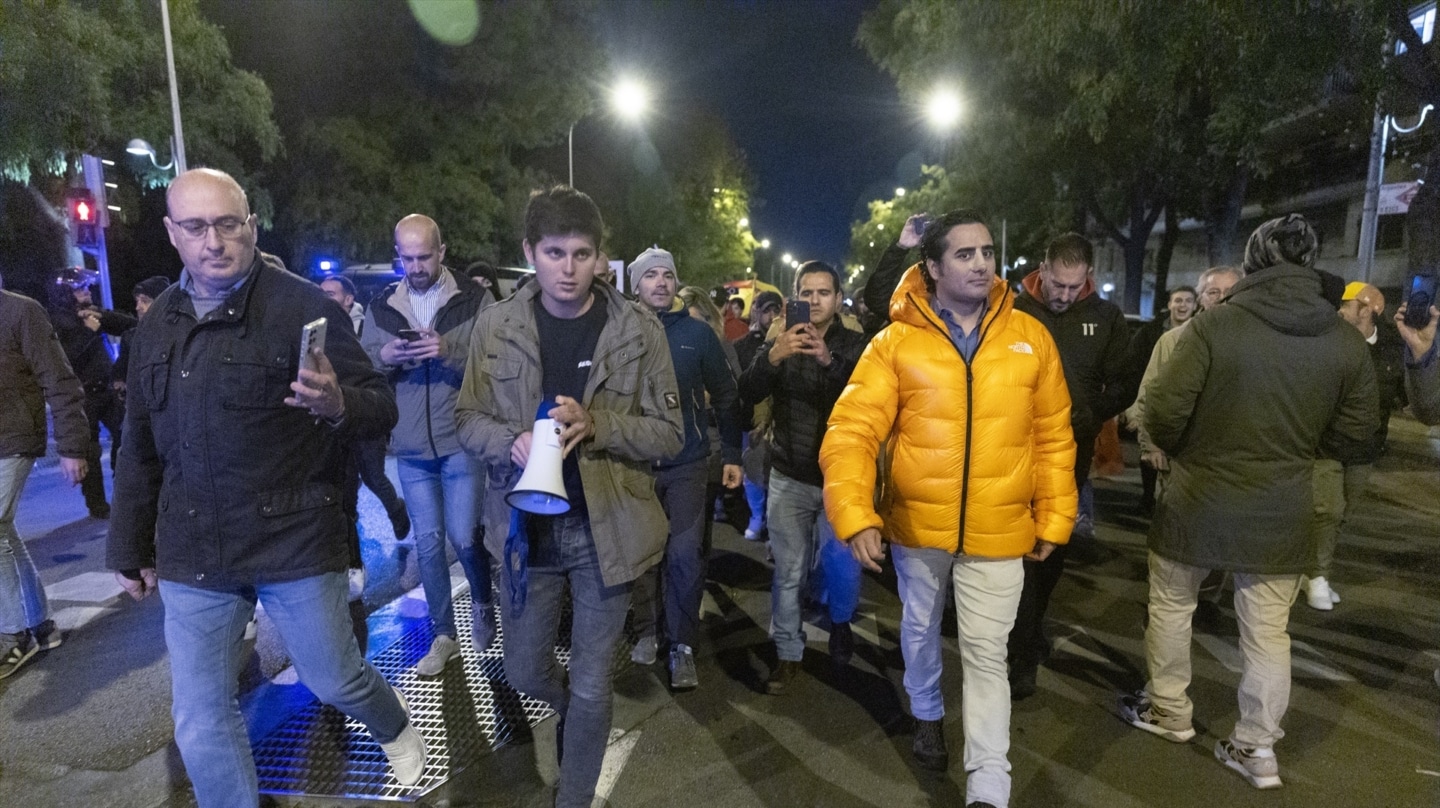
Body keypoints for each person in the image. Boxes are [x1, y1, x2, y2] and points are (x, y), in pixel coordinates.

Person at [106, 168, 425, 806]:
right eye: (195, 227)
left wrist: (337, 403)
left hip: (294, 537)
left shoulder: (304, 306)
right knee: (198, 715)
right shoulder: (157, 324)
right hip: (193, 547)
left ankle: (391, 722)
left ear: (251, 226)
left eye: (228, 223)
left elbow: (378, 404)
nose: (213, 241)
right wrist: (128, 543)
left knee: (334, 677)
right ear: (172, 234)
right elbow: (138, 440)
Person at [822, 209, 1076, 808]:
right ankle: (928, 710)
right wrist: (856, 515)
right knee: (919, 627)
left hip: (1001, 528)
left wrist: (1056, 516)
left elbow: (1054, 436)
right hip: (916, 526)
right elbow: (851, 432)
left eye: (987, 252)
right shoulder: (894, 343)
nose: (982, 263)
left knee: (989, 653)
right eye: (965, 254)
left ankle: (989, 783)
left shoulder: (1030, 337)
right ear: (931, 267)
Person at [1119, 214, 1377, 790]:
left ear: (1254, 261)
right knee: (1267, 633)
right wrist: (1300, 447)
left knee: (1171, 605)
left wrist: (1192, 448)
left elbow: (1162, 411)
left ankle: (1169, 711)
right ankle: (1257, 748)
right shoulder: (1343, 339)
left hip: (1198, 496)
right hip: (1283, 503)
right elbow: (1359, 434)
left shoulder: (1216, 327)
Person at [454, 186, 683, 808]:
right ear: (530, 252)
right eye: (554, 252)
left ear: (602, 258)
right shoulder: (495, 326)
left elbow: (670, 431)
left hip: (605, 528)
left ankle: (574, 797)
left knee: (590, 686)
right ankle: (571, 722)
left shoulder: (638, 329)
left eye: (582, 253)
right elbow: (466, 417)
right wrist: (512, 441)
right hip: (524, 531)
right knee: (526, 670)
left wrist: (600, 424)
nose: (568, 268)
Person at [362, 215, 497, 674]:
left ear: (442, 251)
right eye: (407, 257)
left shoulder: (475, 298)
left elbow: (497, 362)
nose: (415, 266)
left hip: (462, 439)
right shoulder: (382, 304)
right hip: (412, 446)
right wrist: (384, 357)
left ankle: (481, 601)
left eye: (424, 256)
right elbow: (361, 367)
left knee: (464, 536)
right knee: (428, 542)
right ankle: (444, 635)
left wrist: (448, 351)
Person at [1007, 232, 1135, 698]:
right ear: (1042, 269)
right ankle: (1021, 651)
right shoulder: (1013, 310)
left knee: (1054, 544)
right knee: (1021, 548)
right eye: (1056, 285)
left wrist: (1095, 410)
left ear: (1087, 278)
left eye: (1072, 286)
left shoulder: (1106, 318)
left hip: (1072, 452)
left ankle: (1031, 624)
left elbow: (1125, 383)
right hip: (1014, 449)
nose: (1062, 296)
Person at [738, 260, 868, 691]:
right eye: (806, 293)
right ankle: (788, 653)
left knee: (842, 568)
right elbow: (748, 394)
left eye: (823, 293)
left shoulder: (854, 343)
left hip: (841, 479)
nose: (814, 301)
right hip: (789, 475)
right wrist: (773, 358)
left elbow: (865, 398)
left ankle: (842, 622)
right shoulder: (778, 338)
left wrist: (829, 362)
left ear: (837, 297)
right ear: (795, 297)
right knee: (789, 572)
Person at [626, 250, 743, 690]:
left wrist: (731, 453)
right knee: (642, 556)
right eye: (650, 275)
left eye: (667, 275)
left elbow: (727, 396)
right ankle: (645, 630)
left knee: (683, 556)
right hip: (634, 465)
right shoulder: (619, 333)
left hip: (688, 464)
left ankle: (682, 646)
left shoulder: (697, 334)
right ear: (635, 285)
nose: (660, 282)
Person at [0, 281, 89, 678]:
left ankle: (12, 634)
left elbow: (59, 379)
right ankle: (40, 623)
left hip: (15, 437)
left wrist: (73, 446)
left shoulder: (21, 311)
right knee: (5, 531)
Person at [1305, 281, 1408, 610]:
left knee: (1344, 514)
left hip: (1365, 451)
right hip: (1326, 446)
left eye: (1346, 305)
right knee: (1328, 511)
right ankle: (1317, 577)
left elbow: (1406, 398)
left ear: (1365, 310)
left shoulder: (1392, 348)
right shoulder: (1328, 341)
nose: (1339, 310)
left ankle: (1313, 572)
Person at [1124, 269, 1241, 507]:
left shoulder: (1254, 341)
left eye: (1230, 292)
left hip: (1233, 463)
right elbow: (1151, 391)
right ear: (1202, 297)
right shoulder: (1173, 340)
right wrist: (1151, 444)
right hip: (1183, 460)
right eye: (1213, 292)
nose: (1221, 298)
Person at [47, 272, 130, 519]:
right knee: (90, 452)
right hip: (83, 396)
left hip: (106, 391)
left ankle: (127, 489)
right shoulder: (57, 322)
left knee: (128, 435)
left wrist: (100, 315)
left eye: (86, 289)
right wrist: (88, 331)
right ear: (65, 295)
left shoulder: (89, 314)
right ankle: (97, 504)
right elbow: (66, 359)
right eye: (80, 290)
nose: (87, 293)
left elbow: (127, 324)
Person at [1126, 285, 1197, 512]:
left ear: (1195, 305)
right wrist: (1133, 410)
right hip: (1153, 405)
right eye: (1178, 300)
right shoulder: (1150, 334)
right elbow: (1136, 371)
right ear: (1169, 305)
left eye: (1187, 301)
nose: (1182, 305)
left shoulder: (1202, 334)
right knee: (1151, 457)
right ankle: (1148, 498)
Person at [731, 290, 782, 541]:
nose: (772, 316)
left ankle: (772, 524)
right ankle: (756, 516)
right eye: (766, 311)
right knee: (753, 474)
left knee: (776, 477)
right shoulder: (741, 346)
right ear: (756, 312)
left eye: (776, 310)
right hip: (749, 421)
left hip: (778, 423)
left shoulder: (788, 342)